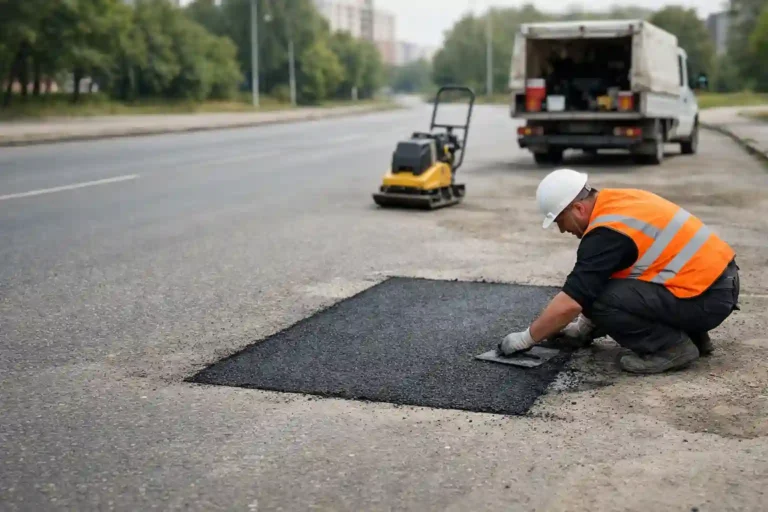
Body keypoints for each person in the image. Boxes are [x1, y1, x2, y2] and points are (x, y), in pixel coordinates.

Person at [498, 168, 741, 374]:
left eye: (560, 221)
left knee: (596, 299)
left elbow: (573, 301)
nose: (562, 230)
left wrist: (527, 338)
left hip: (707, 299)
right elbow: (620, 272)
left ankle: (669, 348)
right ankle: (694, 335)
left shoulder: (606, 233)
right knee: (603, 286)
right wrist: (583, 331)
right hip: (715, 286)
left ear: (578, 209)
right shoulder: (618, 201)